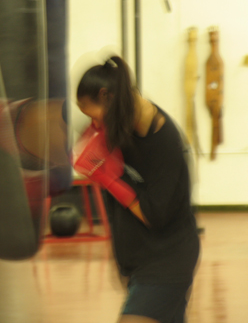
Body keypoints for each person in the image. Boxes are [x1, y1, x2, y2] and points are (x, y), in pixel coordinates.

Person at [74, 55, 200, 323]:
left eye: (94, 116)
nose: (94, 126)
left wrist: (110, 177)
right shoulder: (119, 126)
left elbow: (154, 215)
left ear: (106, 96)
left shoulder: (165, 141)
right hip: (138, 263)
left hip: (168, 259)